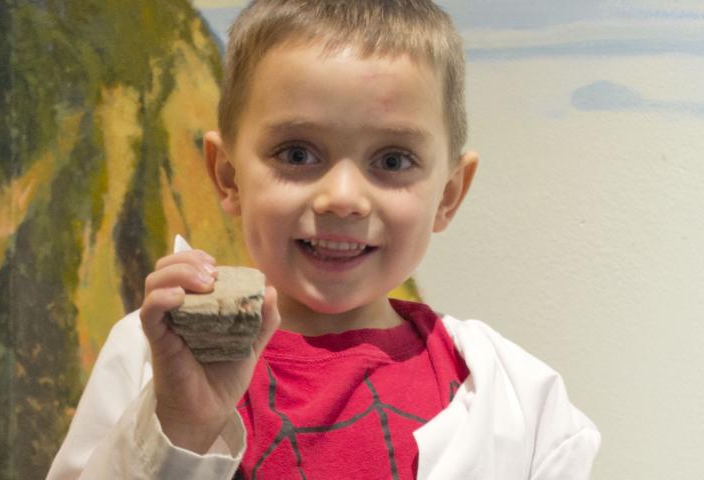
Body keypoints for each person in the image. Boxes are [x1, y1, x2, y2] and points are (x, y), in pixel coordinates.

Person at [47, 1, 600, 478]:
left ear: (449, 194)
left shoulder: (520, 402)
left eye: (392, 160)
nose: (342, 197)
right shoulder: (153, 354)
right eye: (297, 154)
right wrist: (180, 425)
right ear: (228, 176)